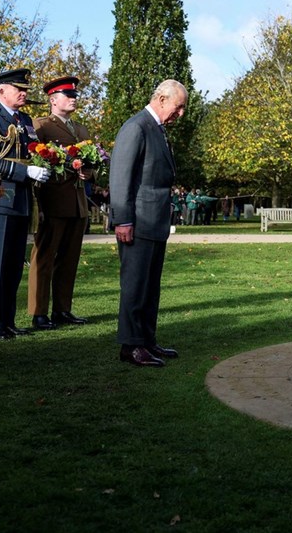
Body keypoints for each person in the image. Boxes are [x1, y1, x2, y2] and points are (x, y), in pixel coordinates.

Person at [110, 79, 187, 367]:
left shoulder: (156, 128)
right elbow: (121, 177)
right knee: (135, 285)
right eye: (178, 107)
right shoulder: (137, 127)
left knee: (150, 286)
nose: (180, 114)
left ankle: (146, 340)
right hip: (138, 222)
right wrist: (123, 219)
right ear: (162, 99)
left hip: (154, 222)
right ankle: (130, 346)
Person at [0, 68, 50, 341]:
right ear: (2, 90)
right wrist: (23, 172)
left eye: (25, 89)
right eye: (19, 89)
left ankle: (7, 320)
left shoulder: (25, 119)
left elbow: (31, 152)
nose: (24, 93)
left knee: (14, 265)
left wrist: (42, 165)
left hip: (22, 200)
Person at [27, 76, 91, 330]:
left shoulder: (82, 130)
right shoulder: (41, 126)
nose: (73, 99)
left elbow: (92, 163)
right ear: (53, 100)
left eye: (74, 95)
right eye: (68, 95)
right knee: (44, 258)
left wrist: (90, 173)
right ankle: (38, 312)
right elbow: (34, 162)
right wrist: (38, 206)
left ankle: (62, 309)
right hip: (52, 201)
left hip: (77, 202)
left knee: (69, 260)